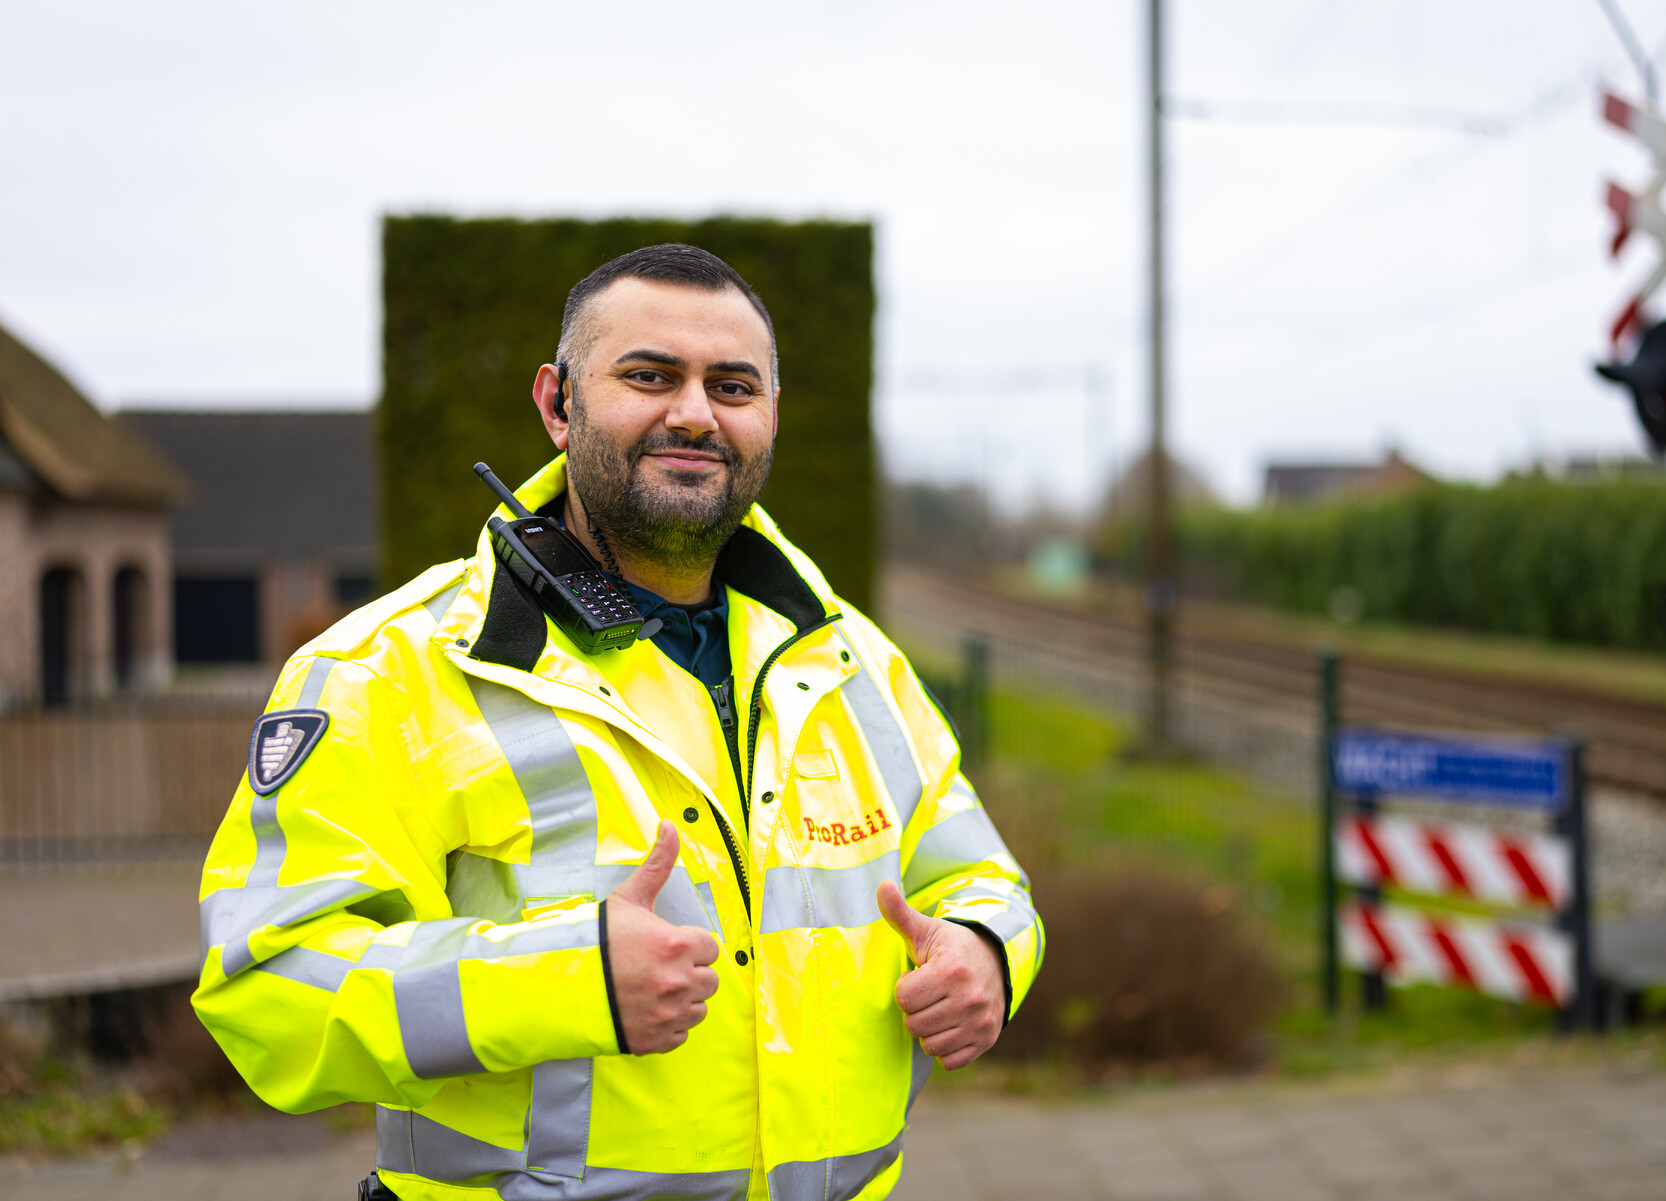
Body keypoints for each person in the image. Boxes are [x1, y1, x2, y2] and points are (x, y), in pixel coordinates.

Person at [192, 243, 1043, 1201]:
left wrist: (984, 951)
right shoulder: (387, 672)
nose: (694, 412)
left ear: (769, 418)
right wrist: (564, 978)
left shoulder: (849, 658)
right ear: (558, 405)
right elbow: (265, 981)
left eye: (733, 385)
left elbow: (981, 875)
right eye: (649, 376)